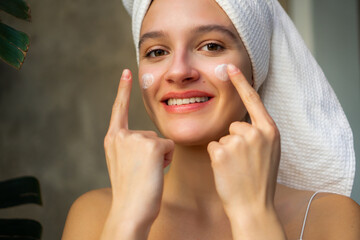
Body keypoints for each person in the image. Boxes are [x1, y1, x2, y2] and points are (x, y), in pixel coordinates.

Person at [62, 0, 360, 239]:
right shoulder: (94, 214)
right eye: (157, 51)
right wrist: (127, 221)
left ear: (256, 67)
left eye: (211, 46)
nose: (178, 71)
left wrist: (254, 216)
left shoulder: (330, 217)